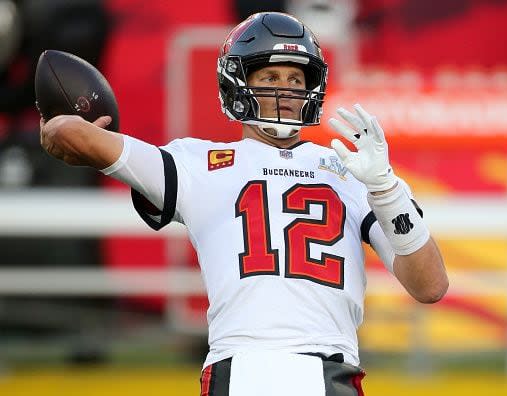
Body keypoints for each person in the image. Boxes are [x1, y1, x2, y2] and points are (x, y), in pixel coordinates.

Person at [39, 12, 448, 396]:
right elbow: (71, 132)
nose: (284, 90)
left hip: (331, 369)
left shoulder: (352, 170)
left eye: (295, 78)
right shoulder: (197, 162)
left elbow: (430, 285)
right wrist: (64, 124)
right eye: (270, 75)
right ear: (238, 82)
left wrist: (386, 187)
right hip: (241, 365)